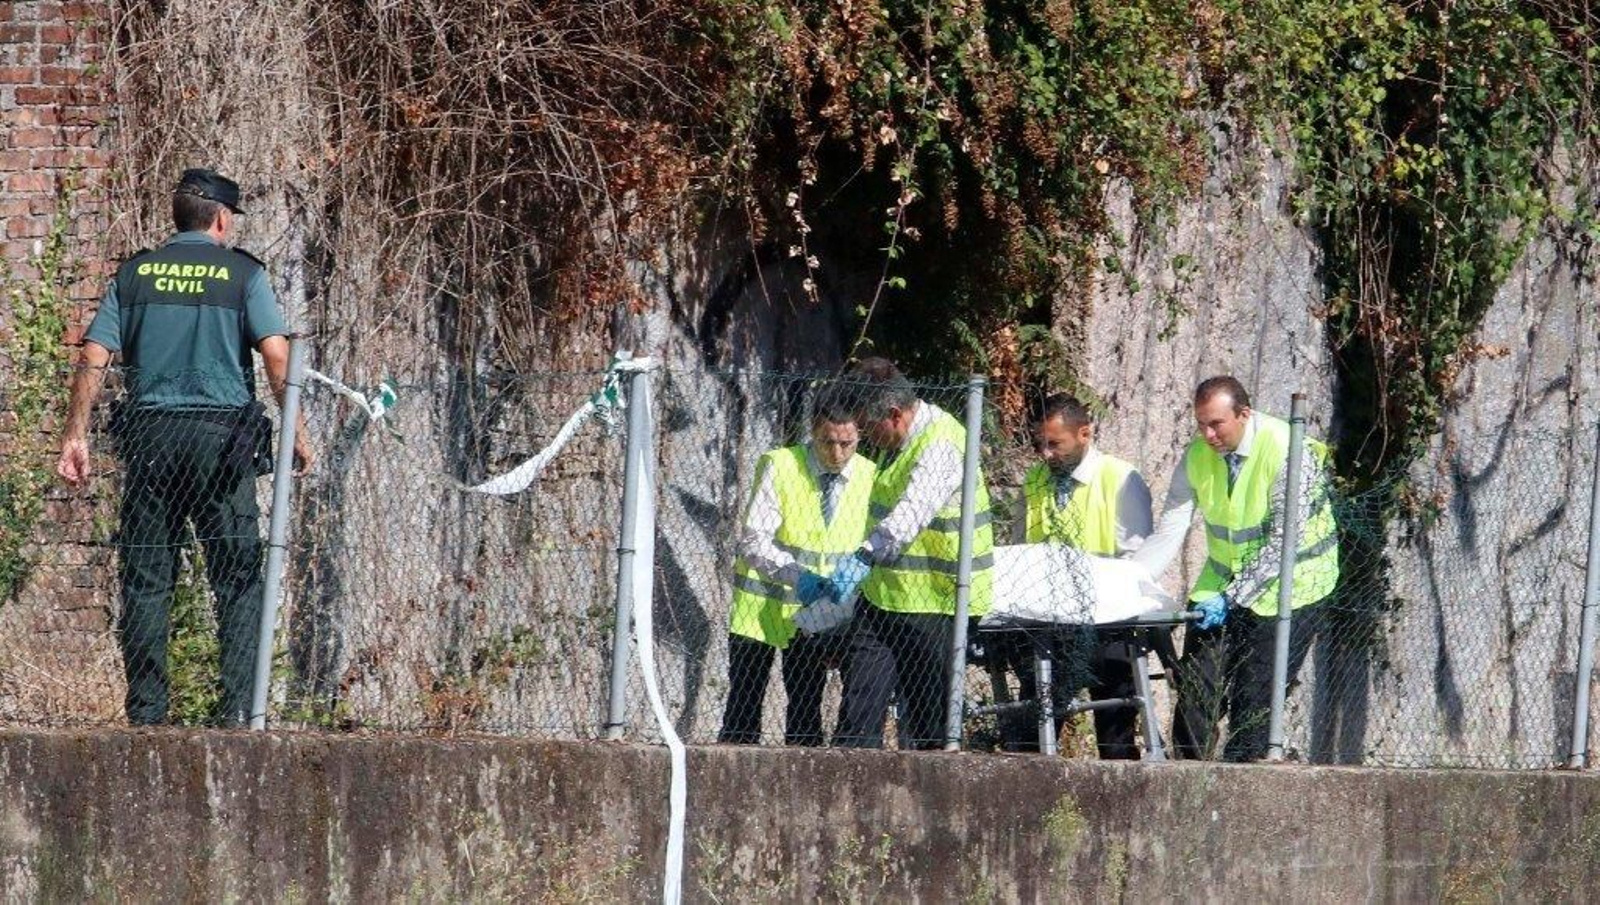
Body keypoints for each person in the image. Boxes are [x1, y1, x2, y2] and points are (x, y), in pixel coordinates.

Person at [56, 167, 312, 727]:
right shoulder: (242, 275)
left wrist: (76, 434)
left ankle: (147, 715)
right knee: (238, 577)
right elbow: (275, 355)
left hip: (152, 438)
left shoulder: (137, 274)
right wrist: (297, 432)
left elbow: (95, 356)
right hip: (221, 442)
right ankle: (237, 714)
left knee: (147, 579)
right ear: (222, 219)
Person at [1138, 376, 1338, 761]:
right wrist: (1132, 580)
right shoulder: (1197, 455)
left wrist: (1232, 597)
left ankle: (1239, 785)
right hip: (1226, 580)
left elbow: (1285, 541)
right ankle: (1186, 780)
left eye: (1216, 424)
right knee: (1196, 691)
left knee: (1254, 700)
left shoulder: (1286, 449)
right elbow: (1172, 526)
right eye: (1200, 424)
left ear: (1244, 414)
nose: (1207, 435)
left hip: (1294, 585)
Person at [827, 357, 994, 749]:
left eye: (868, 428)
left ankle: (933, 800)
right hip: (884, 599)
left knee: (927, 718)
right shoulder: (895, 444)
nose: (866, 438)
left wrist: (864, 556)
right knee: (858, 710)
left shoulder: (941, 444)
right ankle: (851, 792)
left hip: (937, 604)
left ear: (894, 414)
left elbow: (911, 513)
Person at [1000, 393, 1153, 757]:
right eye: (1041, 444)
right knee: (1034, 730)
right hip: (1046, 620)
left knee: (1114, 729)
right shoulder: (1037, 479)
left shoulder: (1119, 478)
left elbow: (1135, 557)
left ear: (1084, 434)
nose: (1046, 454)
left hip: (1105, 618)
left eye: (1056, 444)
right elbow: (1022, 545)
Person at [719, 399, 876, 745]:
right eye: (827, 442)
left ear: (859, 437)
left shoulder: (868, 474)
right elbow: (754, 539)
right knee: (743, 704)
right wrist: (797, 577)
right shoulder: (781, 465)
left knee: (806, 708)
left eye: (846, 443)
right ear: (812, 434)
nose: (836, 453)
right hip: (762, 608)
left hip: (818, 613)